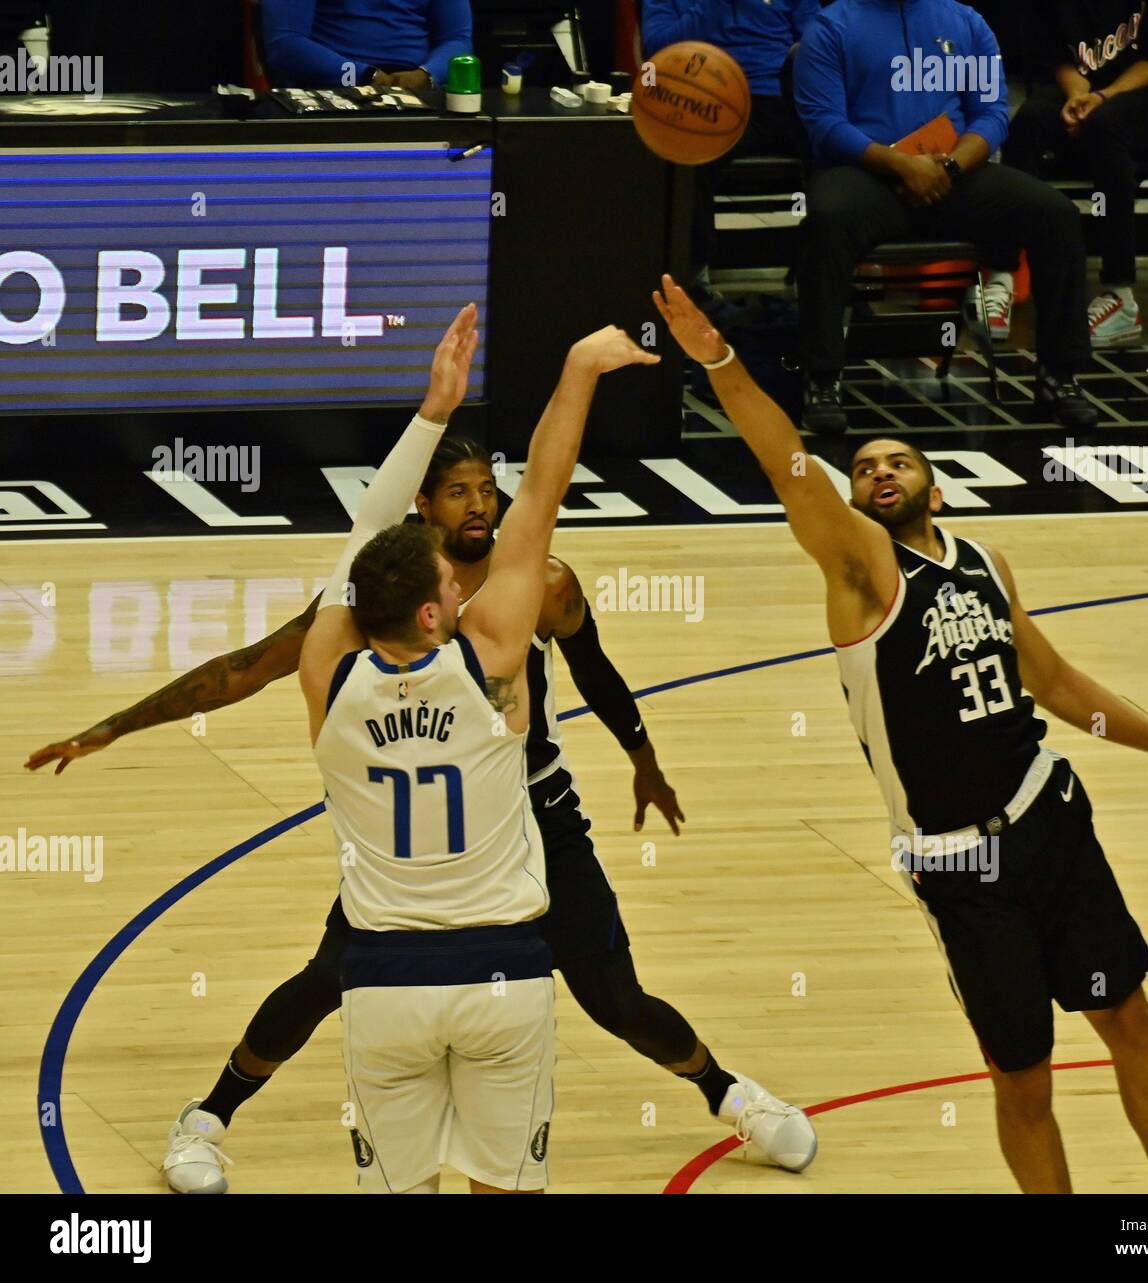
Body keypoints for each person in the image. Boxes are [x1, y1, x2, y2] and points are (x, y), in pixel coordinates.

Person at [27, 382, 818, 1197]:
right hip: (432, 829)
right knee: (329, 976)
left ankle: (730, 1094)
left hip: (538, 807)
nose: (479, 504)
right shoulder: (387, 593)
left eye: (486, 488)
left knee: (613, 994)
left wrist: (643, 756)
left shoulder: (538, 580)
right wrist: (116, 724)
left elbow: (596, 668)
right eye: (458, 492)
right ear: (424, 506)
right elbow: (246, 667)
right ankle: (207, 1117)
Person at [652, 271, 1148, 1193]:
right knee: (1022, 1074)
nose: (877, 473)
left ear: (934, 489)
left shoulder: (986, 562)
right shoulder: (861, 570)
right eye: (863, 467)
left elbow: (1058, 682)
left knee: (1129, 1017)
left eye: (896, 461)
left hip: (1049, 816)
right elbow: (785, 458)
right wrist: (721, 360)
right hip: (957, 861)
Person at [296, 307, 660, 1192]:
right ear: (433, 611)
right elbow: (540, 494)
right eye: (447, 582)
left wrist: (432, 414)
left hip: (383, 976)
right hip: (503, 969)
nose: (464, 582)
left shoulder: (329, 675)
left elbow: (362, 551)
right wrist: (577, 367)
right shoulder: (498, 663)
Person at [793, 0, 1099, 432]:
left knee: (1056, 214)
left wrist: (950, 166)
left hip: (952, 172)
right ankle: (822, 379)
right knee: (826, 219)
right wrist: (901, 166)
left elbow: (992, 113)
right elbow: (824, 123)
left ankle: (1059, 375)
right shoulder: (831, 26)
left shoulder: (967, 22)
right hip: (866, 172)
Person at [999, 1, 1148, 349]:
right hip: (1080, 86)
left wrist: (1104, 97)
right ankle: (1002, 272)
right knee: (1026, 126)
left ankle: (1120, 294)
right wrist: (1079, 95)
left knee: (1104, 129)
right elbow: (1055, 59)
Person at [640, 0, 821, 308]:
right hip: (706, 98)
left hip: (777, 95)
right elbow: (656, 48)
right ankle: (694, 278)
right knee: (687, 153)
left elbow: (818, 40)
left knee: (837, 144)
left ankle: (828, 276)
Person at [262, 0, 472, 91]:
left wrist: (427, 75)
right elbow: (285, 44)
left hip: (419, 89)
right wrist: (364, 76)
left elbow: (458, 40)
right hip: (336, 87)